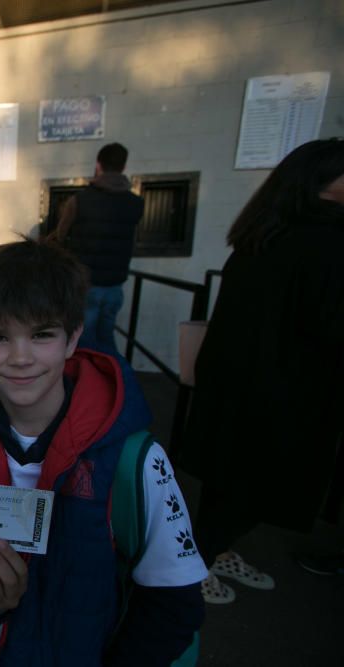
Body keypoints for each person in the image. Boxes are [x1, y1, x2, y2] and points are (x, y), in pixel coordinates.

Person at [0, 238, 206, 666]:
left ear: (73, 338)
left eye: (42, 334)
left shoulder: (135, 460)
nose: (21, 357)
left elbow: (175, 604)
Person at [180, 138, 344, 604]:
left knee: (227, 482)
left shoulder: (267, 230)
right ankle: (198, 561)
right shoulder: (324, 240)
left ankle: (210, 552)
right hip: (287, 392)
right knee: (253, 489)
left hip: (238, 382)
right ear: (322, 183)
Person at [50, 142, 144, 355]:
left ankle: (93, 384)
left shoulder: (80, 200)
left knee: (83, 341)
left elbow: (60, 235)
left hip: (86, 284)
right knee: (106, 337)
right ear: (123, 166)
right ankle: (120, 381)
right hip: (115, 285)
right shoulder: (136, 203)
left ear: (98, 165)